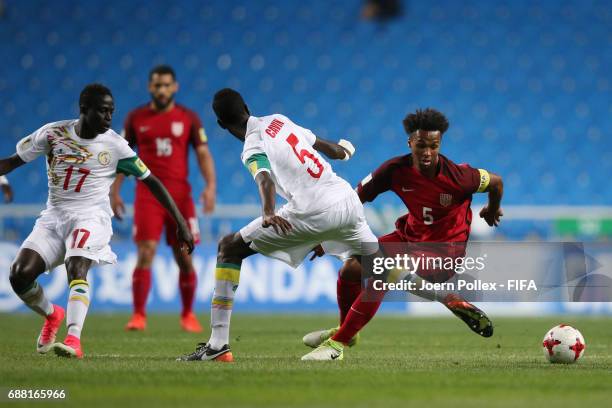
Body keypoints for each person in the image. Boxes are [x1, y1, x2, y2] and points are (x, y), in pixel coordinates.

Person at [177, 88, 379, 362]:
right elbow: (328, 148)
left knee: (229, 248)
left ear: (221, 125)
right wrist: (344, 152)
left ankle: (218, 345)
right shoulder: (279, 120)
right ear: (247, 107)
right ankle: (446, 295)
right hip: (347, 201)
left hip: (313, 211)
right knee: (378, 266)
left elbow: (264, 178)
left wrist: (268, 211)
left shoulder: (251, 145)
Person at [0, 84, 194, 359]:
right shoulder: (52, 133)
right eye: (103, 111)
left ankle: (73, 339)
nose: (108, 117)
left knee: (76, 265)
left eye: (111, 112)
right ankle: (52, 315)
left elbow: (151, 181)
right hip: (54, 217)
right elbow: (11, 162)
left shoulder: (115, 145)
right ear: (83, 110)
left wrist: (181, 222)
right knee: (19, 275)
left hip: (92, 217)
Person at [301, 108, 504, 360]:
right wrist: (328, 235)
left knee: (382, 272)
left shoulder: (461, 177)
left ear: (440, 144)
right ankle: (347, 332)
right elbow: (354, 199)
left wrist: (492, 209)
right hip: (409, 237)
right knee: (350, 270)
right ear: (410, 143)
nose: (427, 152)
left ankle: (336, 345)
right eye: (421, 146)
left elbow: (496, 182)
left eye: (434, 145)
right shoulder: (394, 170)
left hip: (443, 251)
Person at [111, 65, 216, 333]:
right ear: (150, 87)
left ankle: (188, 314)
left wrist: (210, 186)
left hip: (180, 196)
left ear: (175, 87)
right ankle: (138, 315)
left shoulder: (189, 118)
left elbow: (203, 153)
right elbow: (122, 155)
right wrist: (114, 190)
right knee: (145, 252)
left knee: (184, 255)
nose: (162, 90)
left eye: (166, 85)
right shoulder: (136, 118)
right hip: (147, 195)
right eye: (157, 85)